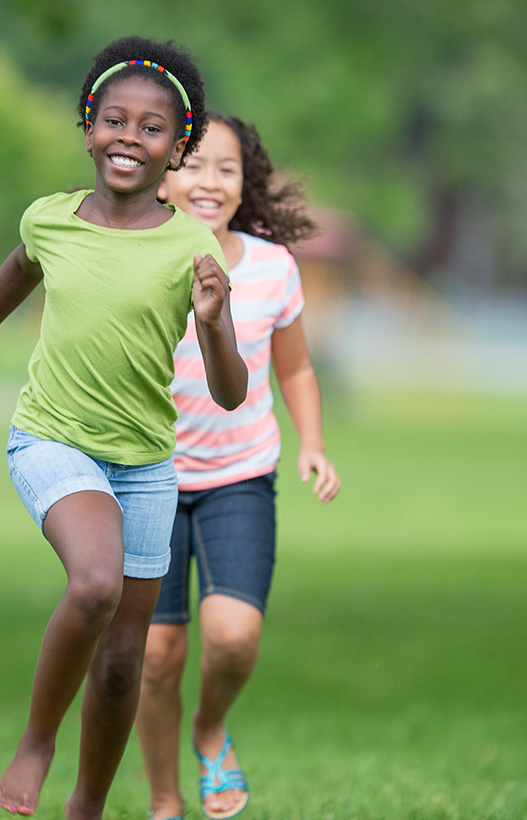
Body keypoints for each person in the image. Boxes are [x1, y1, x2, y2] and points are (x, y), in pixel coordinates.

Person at [0, 35, 247, 820]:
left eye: (150, 129)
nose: (128, 139)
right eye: (114, 120)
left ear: (177, 149)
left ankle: (89, 807)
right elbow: (19, 268)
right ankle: (37, 742)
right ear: (87, 126)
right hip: (52, 436)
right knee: (96, 582)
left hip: (144, 463)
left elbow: (232, 390)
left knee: (119, 665)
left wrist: (212, 322)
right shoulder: (51, 218)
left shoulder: (191, 246)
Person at [133, 111, 340, 820]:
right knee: (156, 656)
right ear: (163, 172)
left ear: (245, 183)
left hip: (239, 475)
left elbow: (298, 369)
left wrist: (312, 443)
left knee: (233, 635)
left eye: (228, 168)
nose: (210, 182)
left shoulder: (273, 268)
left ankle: (211, 727)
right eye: (194, 165)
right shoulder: (136, 258)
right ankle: (164, 800)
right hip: (146, 477)